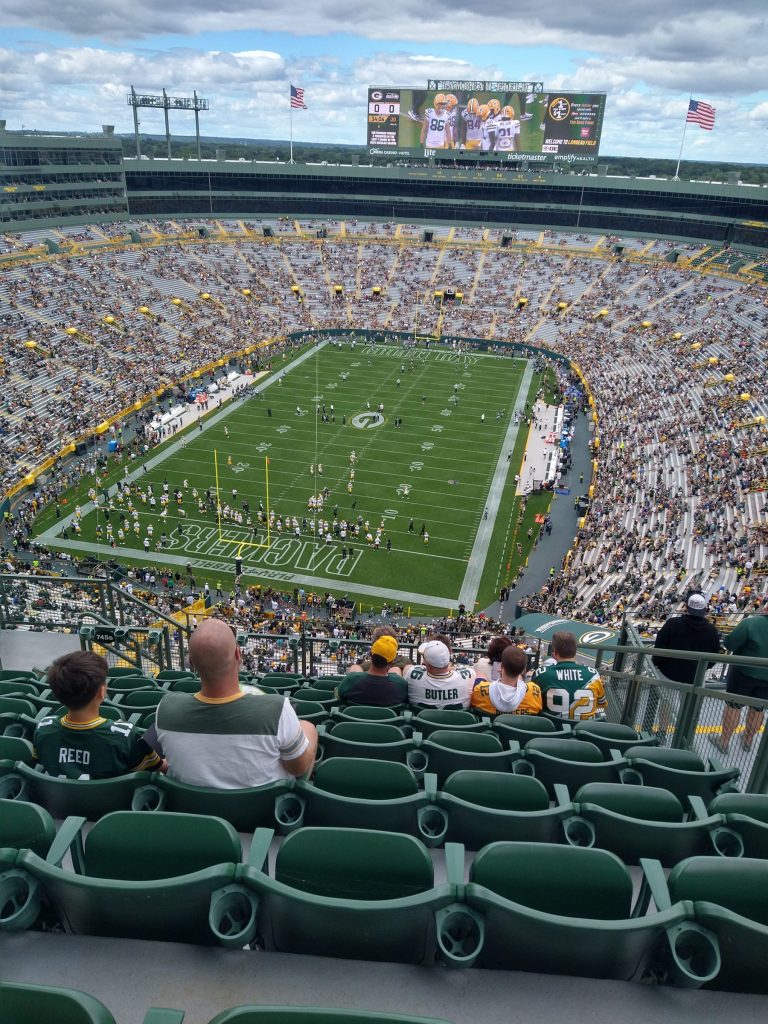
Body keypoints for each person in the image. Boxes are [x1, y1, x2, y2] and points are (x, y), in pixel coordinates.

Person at [145, 618, 317, 788]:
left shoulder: (166, 710)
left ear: (192, 663)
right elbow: (298, 768)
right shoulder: (277, 710)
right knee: (308, 727)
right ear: (238, 654)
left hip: (192, 812)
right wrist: (308, 728)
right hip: (264, 813)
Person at [33, 651, 161, 779]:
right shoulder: (124, 736)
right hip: (115, 799)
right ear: (101, 692)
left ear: (57, 693)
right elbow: (159, 770)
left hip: (58, 797)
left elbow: (38, 759)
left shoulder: (43, 728)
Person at [713, 598, 768, 753]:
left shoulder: (751, 623)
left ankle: (724, 742)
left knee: (734, 706)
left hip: (743, 673)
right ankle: (748, 740)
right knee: (758, 709)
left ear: (765, 609)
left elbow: (730, 644)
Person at [532, 630, 606, 720]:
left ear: (554, 652)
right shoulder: (593, 675)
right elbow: (602, 704)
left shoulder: (541, 674)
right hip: (584, 731)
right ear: (575, 652)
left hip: (551, 730)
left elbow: (533, 703)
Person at [335, 634, 408, 706]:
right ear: (392, 661)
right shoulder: (400, 684)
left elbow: (335, 697)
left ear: (370, 655)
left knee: (355, 667)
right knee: (396, 669)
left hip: (354, 716)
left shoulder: (352, 679)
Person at [471, 645, 543, 716]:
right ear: (524, 670)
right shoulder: (535, 691)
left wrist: (480, 677)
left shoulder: (480, 690)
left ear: (501, 666)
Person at [404, 638, 474, 709]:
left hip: (420, 719)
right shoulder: (469, 674)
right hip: (458, 719)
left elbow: (408, 668)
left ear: (426, 664)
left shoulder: (412, 674)